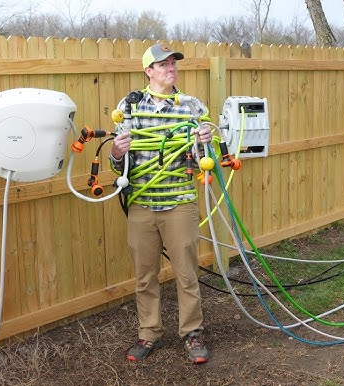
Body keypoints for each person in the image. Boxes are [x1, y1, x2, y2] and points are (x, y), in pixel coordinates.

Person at [109, 42, 213, 364]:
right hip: (141, 202)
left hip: (179, 202)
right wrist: (116, 152)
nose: (171, 68)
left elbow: (202, 162)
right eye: (163, 64)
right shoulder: (129, 107)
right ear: (148, 71)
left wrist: (202, 146)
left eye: (174, 63)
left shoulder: (191, 107)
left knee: (186, 272)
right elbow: (119, 168)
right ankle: (149, 333)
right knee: (144, 275)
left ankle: (192, 334)